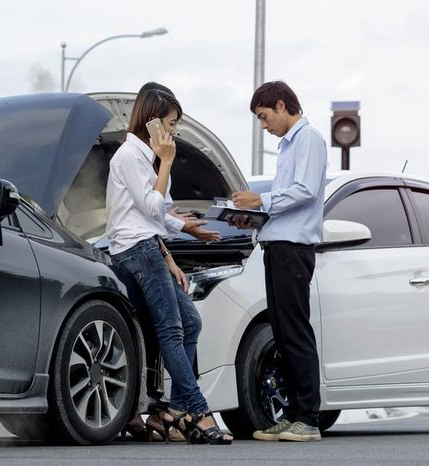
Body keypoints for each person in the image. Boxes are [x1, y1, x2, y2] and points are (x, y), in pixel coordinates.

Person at [106, 84, 232, 445]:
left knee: (190, 322)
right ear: (153, 120)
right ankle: (198, 411)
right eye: (172, 123)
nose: (175, 130)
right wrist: (167, 160)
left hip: (149, 247)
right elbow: (150, 208)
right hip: (137, 251)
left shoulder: (146, 156)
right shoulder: (131, 156)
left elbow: (159, 211)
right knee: (172, 330)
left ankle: (176, 409)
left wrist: (187, 230)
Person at [232, 81, 327, 442]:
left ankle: (308, 418)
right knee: (284, 335)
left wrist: (261, 202)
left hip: (293, 249)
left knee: (296, 332)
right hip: (277, 246)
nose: (264, 125)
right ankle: (292, 415)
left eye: (264, 116)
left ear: (282, 105)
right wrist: (252, 215)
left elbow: (305, 190)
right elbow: (286, 201)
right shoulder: (289, 145)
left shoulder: (309, 139)